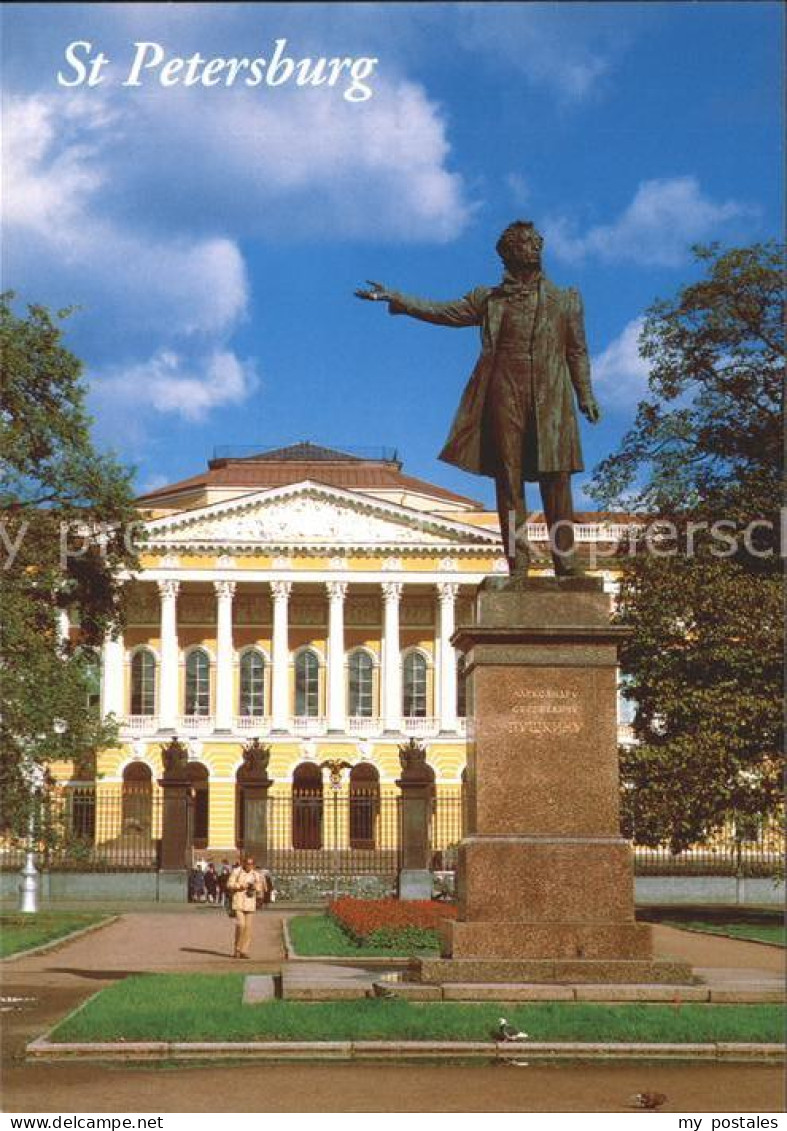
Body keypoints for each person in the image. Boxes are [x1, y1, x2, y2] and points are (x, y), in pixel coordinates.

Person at [356, 220, 601, 579]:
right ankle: (519, 564)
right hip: (504, 392)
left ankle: (566, 563)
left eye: (536, 242)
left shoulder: (566, 300)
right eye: (526, 243)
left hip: (551, 398)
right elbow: (443, 312)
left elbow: (577, 351)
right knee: (509, 478)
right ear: (509, 252)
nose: (534, 248)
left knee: (557, 479)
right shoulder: (488, 300)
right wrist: (399, 299)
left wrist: (586, 394)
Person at [226, 855, 263, 958]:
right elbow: (229, 884)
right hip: (238, 902)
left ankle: (244, 950)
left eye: (251, 864)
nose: (249, 866)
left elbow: (260, 887)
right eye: (248, 864)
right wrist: (240, 885)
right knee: (241, 925)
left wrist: (255, 887)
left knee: (248, 928)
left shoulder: (256, 874)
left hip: (250, 903)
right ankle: (237, 948)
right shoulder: (236, 872)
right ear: (244, 864)